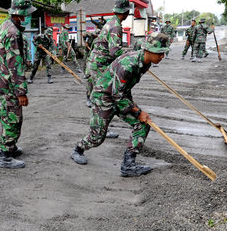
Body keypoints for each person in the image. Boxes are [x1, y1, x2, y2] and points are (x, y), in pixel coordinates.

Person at [70, 33, 170, 177]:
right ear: (148, 50)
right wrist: (137, 111)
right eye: (160, 53)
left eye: (163, 53)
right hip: (103, 97)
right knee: (97, 137)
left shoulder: (146, 63)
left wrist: (135, 110)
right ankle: (78, 149)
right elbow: (117, 94)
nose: (162, 57)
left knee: (142, 124)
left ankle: (128, 165)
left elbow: (124, 89)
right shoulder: (128, 64)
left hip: (119, 96)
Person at [0, 0, 36, 168]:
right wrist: (21, 92)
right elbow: (15, 65)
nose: (27, 17)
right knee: (12, 118)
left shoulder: (4, 26)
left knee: (5, 115)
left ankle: (11, 147)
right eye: (26, 14)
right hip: (8, 83)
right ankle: (5, 157)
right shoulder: (13, 33)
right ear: (19, 15)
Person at [83, 0, 132, 137]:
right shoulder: (115, 26)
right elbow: (114, 51)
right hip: (99, 65)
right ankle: (100, 129)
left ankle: (100, 127)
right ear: (126, 12)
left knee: (101, 96)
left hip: (97, 63)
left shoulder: (111, 22)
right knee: (103, 97)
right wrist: (129, 55)